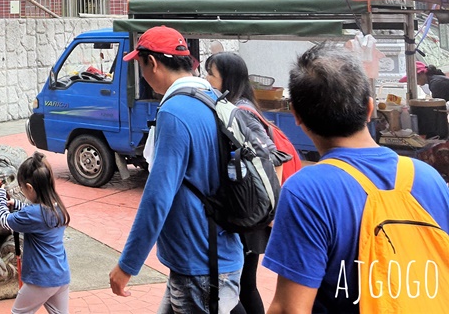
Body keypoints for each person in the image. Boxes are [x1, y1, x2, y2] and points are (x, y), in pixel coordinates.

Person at [264, 43, 449, 314]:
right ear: (369, 108)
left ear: (296, 116)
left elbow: (291, 308)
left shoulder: (307, 190)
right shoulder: (427, 177)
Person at [109, 26, 243, 314]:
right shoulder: (210, 97)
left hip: (200, 266)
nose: (142, 74)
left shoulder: (175, 111)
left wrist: (127, 264)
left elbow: (158, 197)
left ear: (152, 63)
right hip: (215, 254)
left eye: (140, 64)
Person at [205, 52, 279, 314]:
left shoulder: (241, 112)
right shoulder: (238, 106)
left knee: (245, 286)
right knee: (246, 284)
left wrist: (268, 210)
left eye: (211, 74)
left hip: (251, 210)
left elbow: (272, 157)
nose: (206, 79)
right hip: (252, 207)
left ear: (228, 79)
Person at [0, 153, 72, 314]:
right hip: (60, 276)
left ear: (29, 187)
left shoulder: (33, 214)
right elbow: (37, 215)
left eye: (22, 188)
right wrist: (17, 204)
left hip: (41, 279)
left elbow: (5, 220)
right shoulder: (57, 207)